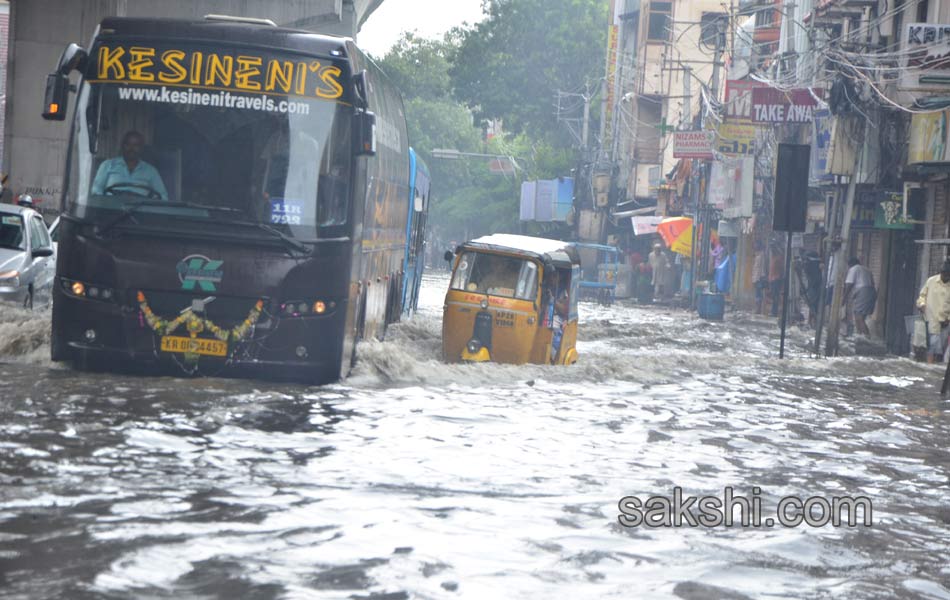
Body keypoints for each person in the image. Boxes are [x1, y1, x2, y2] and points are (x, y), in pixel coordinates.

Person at [91, 131, 168, 200]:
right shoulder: (107, 165)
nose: (131, 149)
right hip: (111, 211)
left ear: (141, 148)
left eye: (136, 145)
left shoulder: (151, 171)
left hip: (140, 213)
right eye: (128, 144)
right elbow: (96, 191)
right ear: (123, 146)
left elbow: (163, 197)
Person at [916, 260, 950, 363]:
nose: (945, 276)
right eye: (944, 273)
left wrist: (948, 319)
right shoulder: (931, 281)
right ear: (941, 272)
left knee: (941, 349)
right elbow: (922, 296)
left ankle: (935, 366)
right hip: (930, 320)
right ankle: (929, 366)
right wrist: (921, 305)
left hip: (944, 323)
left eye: (948, 274)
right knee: (931, 347)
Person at [845, 257, 876, 336]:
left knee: (859, 317)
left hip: (863, 292)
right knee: (859, 316)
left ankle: (866, 337)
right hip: (871, 292)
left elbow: (849, 284)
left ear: (850, 264)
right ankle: (860, 336)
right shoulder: (866, 269)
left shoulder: (853, 269)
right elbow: (871, 284)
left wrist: (844, 297)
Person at [768, 243, 785, 317]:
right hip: (772, 280)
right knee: (773, 296)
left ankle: (774, 312)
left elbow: (781, 269)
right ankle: (773, 311)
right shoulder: (772, 258)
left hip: (776, 279)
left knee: (775, 296)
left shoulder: (779, 258)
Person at [752, 242, 768, 314]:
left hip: (759, 277)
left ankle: (758, 309)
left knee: (759, 294)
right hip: (755, 277)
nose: (755, 246)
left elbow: (762, 267)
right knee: (757, 293)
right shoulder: (757, 254)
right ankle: (758, 309)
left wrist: (762, 276)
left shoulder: (762, 255)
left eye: (756, 245)